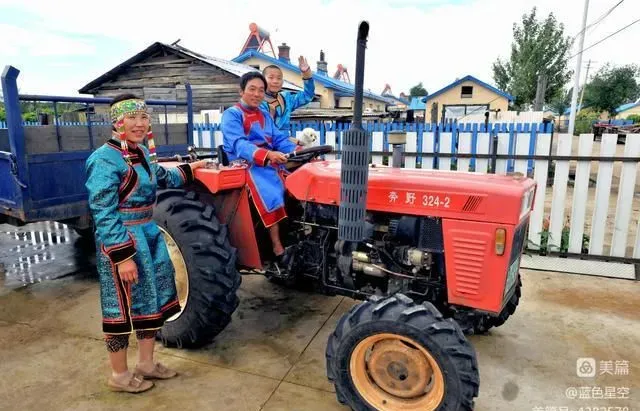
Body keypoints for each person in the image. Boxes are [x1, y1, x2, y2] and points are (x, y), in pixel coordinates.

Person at [85, 94, 209, 393]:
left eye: (143, 117)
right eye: (132, 118)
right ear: (117, 121)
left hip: (148, 234)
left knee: (150, 301)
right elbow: (103, 211)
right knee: (120, 308)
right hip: (122, 239)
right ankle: (119, 375)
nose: (139, 124)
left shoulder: (140, 153)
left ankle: (146, 364)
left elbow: (161, 176)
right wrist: (123, 257)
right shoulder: (103, 159)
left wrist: (192, 169)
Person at [221, 71, 299, 272]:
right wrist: (267, 154)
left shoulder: (264, 115)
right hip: (245, 163)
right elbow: (239, 144)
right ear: (241, 91)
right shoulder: (232, 114)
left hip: (270, 162)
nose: (256, 94)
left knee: (298, 183)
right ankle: (276, 247)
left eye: (261, 90)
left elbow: (279, 139)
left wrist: (298, 151)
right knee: (271, 193)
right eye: (252, 89)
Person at [261, 56, 315, 137]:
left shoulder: (286, 98)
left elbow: (308, 95)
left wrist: (306, 74)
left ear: (283, 82)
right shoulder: (257, 102)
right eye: (271, 78)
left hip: (286, 142)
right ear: (262, 80)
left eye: (279, 78)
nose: (275, 81)